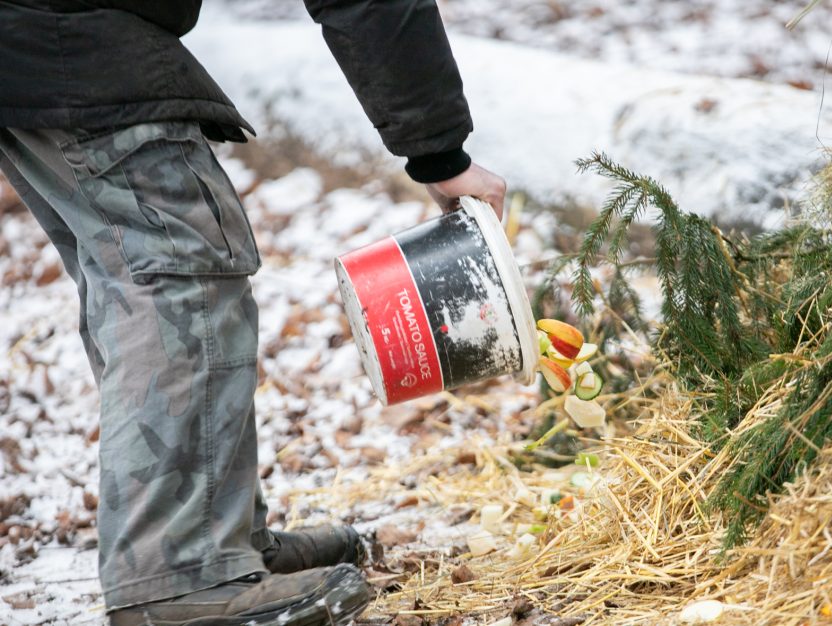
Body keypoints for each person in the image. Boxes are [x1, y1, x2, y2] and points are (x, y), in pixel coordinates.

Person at [0, 1, 506, 624]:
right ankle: (182, 572)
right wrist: (440, 154)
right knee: (176, 261)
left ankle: (219, 537)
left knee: (128, 268)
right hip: (58, 26)